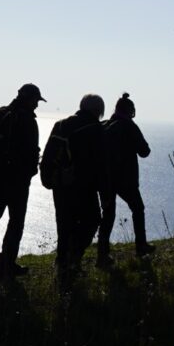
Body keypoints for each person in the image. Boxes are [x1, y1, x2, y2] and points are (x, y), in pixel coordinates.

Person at [0, 83, 44, 280]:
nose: (37, 105)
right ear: (29, 99)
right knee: (16, 222)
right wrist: (30, 171)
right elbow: (32, 152)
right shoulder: (28, 120)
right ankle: (6, 264)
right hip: (18, 182)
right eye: (36, 101)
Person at [41, 94, 106, 285]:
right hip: (84, 186)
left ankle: (62, 266)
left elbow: (48, 154)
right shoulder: (96, 129)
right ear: (97, 111)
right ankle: (73, 259)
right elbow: (101, 165)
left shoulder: (61, 125)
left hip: (60, 183)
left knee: (64, 224)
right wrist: (106, 193)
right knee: (92, 220)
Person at [97, 93, 154, 263]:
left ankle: (102, 254)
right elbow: (144, 151)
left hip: (105, 178)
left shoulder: (104, 125)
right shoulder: (129, 126)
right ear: (130, 110)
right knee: (138, 208)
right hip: (125, 179)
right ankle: (141, 246)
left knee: (108, 215)